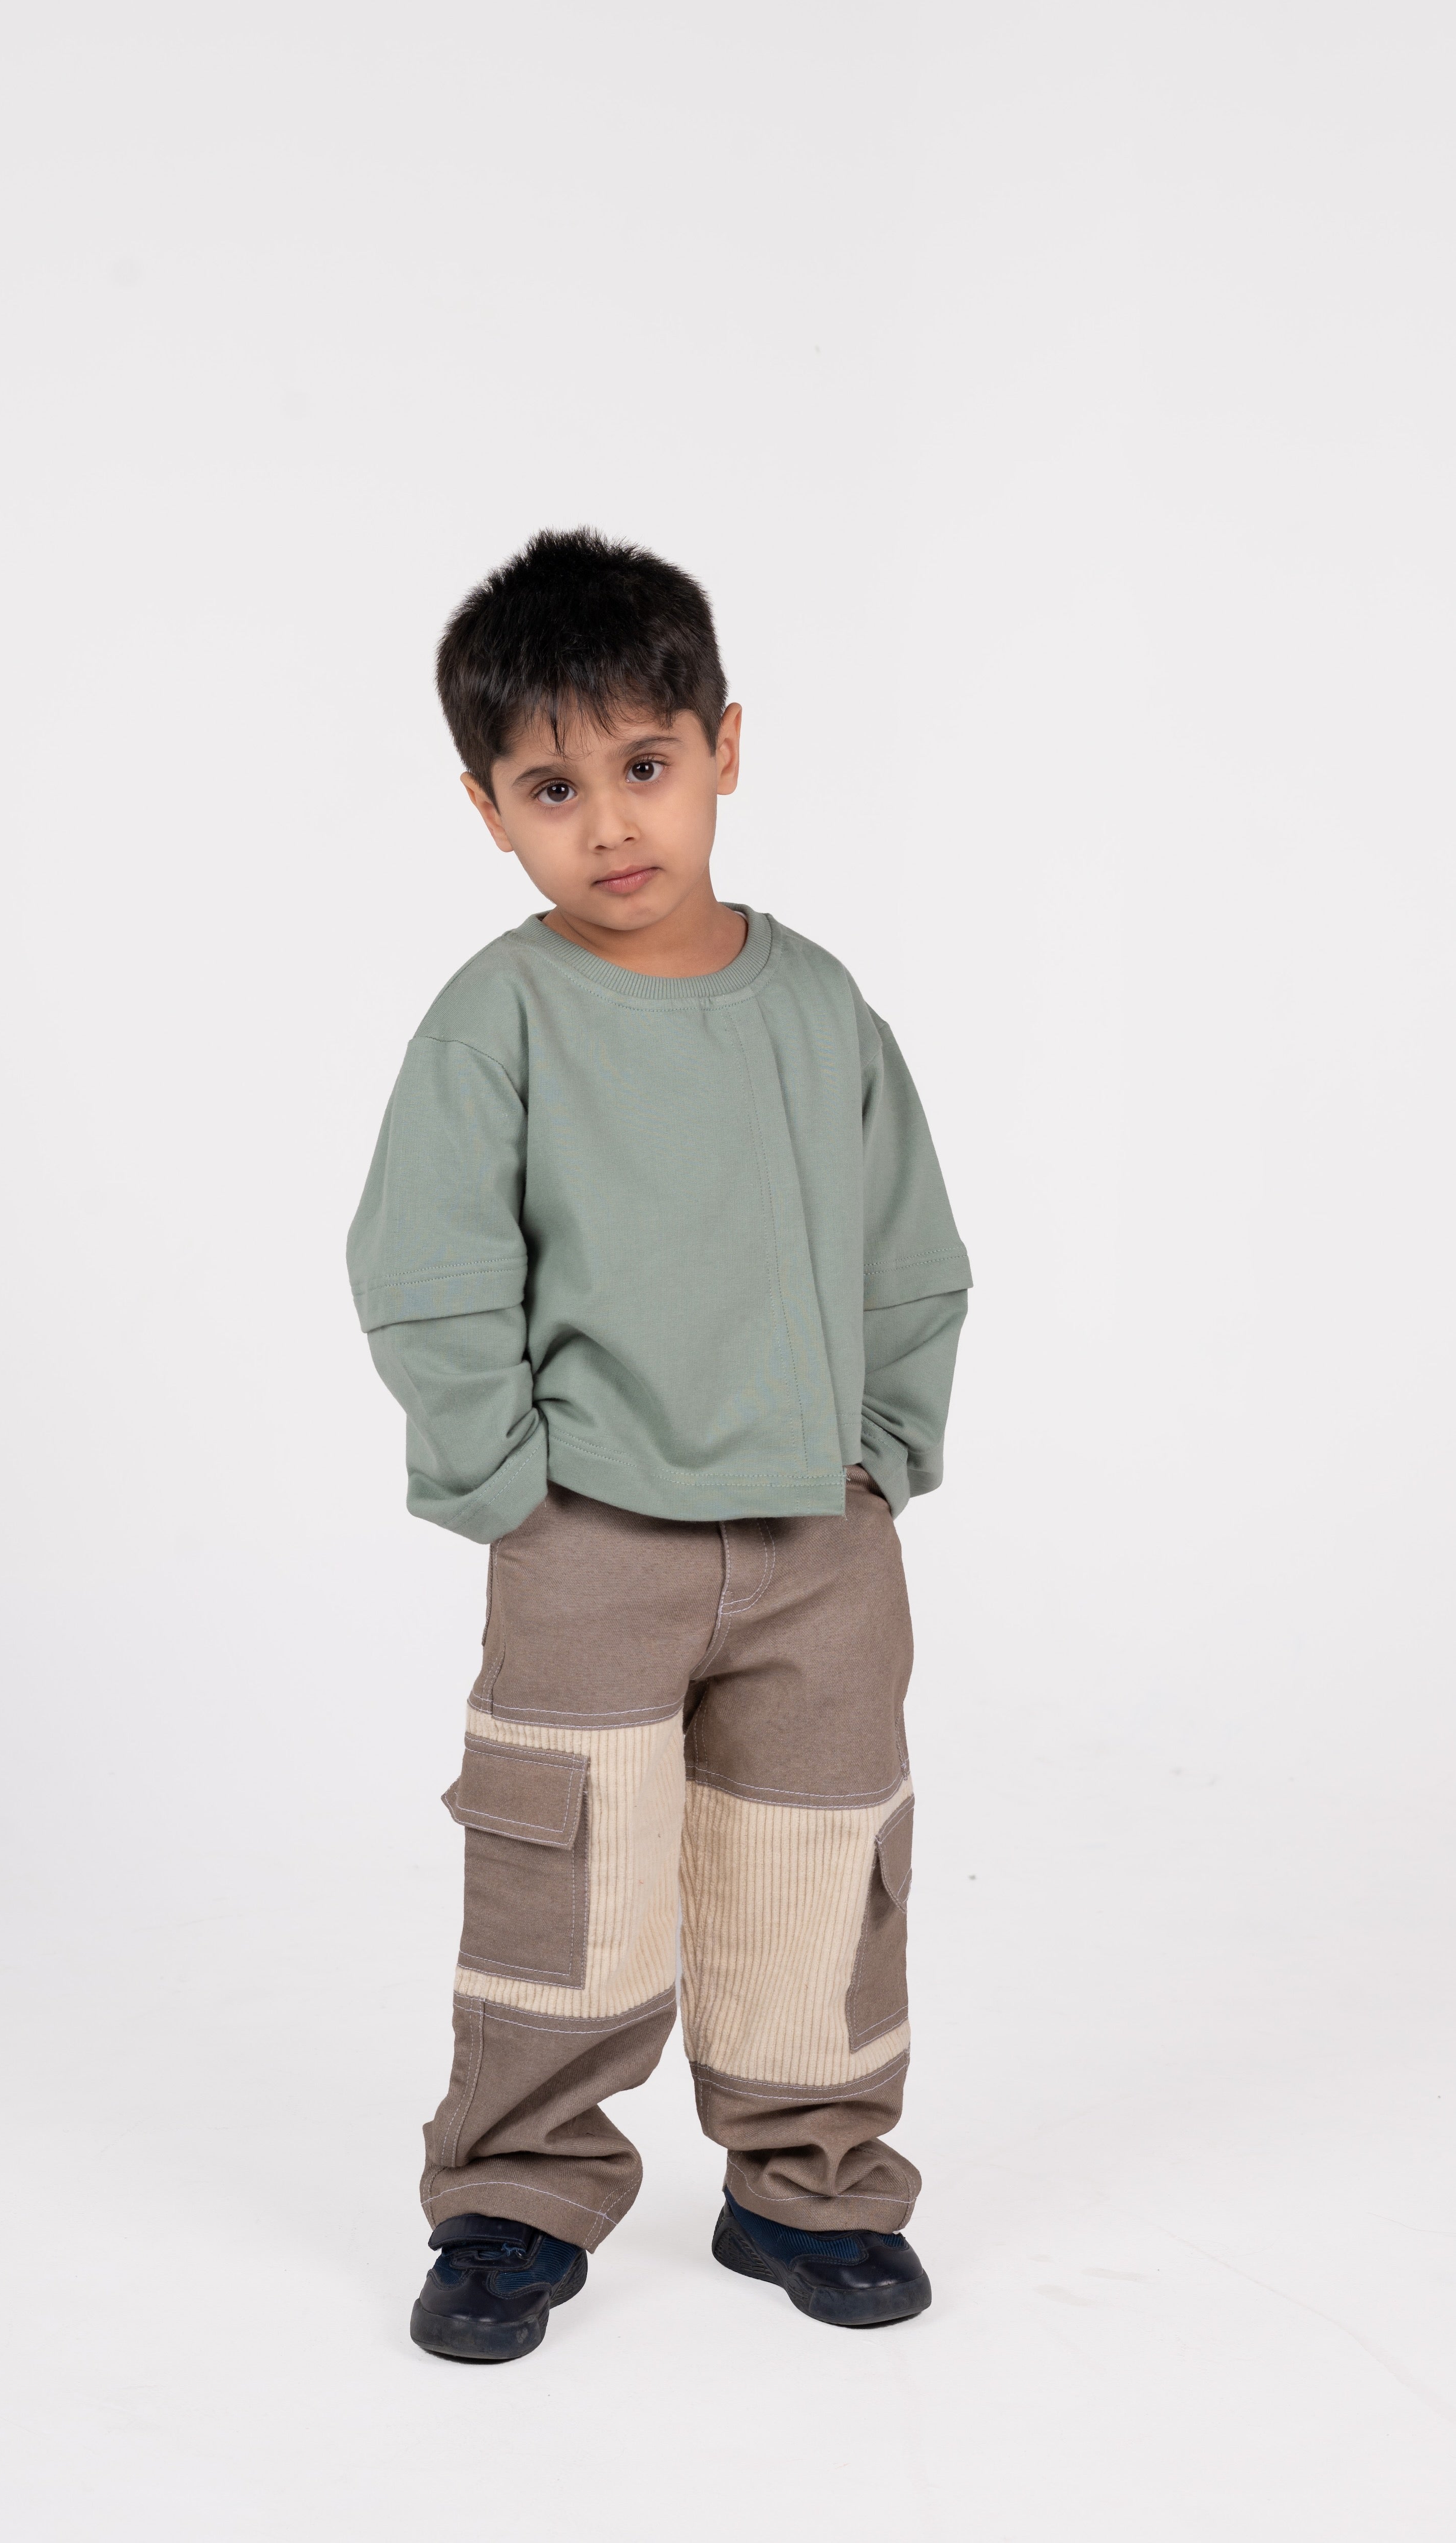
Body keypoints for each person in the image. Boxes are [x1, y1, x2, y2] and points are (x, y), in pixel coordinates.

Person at [347, 529, 971, 2361]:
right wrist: (504, 1483)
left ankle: (808, 2183)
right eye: (554, 787)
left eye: (646, 764)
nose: (611, 822)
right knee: (566, 1881)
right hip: (589, 1541)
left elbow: (910, 1250)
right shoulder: (504, 1018)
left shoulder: (818, 1008)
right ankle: (515, 2194)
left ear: (722, 746)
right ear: (489, 811)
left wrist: (882, 1454)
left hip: (818, 1552)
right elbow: (428, 1262)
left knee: (818, 1868)